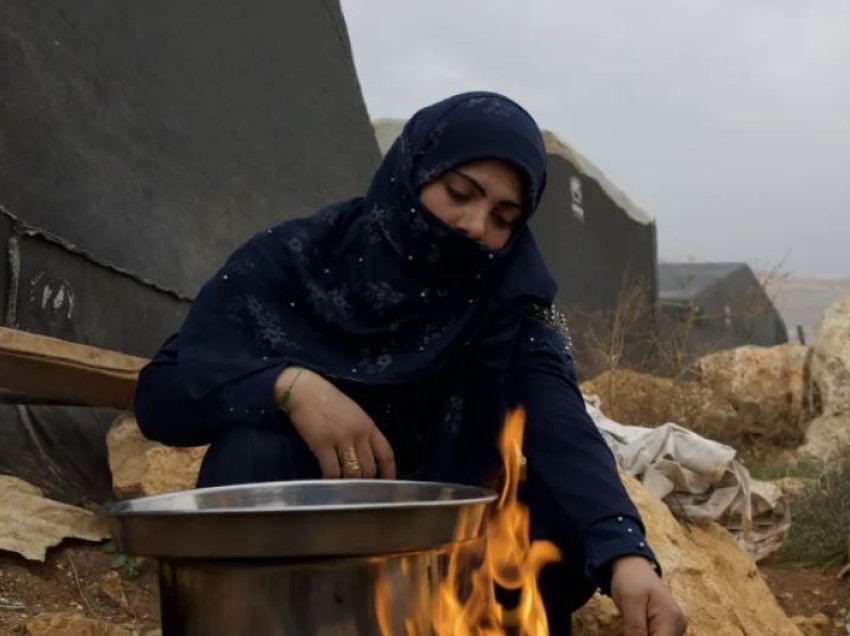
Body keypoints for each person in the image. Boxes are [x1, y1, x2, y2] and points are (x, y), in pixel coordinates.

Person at [135, 91, 686, 635]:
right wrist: (288, 387)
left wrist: (626, 556)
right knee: (251, 456)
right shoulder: (298, 259)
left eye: (503, 215)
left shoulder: (510, 296)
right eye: (460, 193)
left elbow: (557, 419)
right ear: (415, 170)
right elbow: (162, 397)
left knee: (550, 507)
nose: (475, 226)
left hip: (446, 561)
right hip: (314, 557)